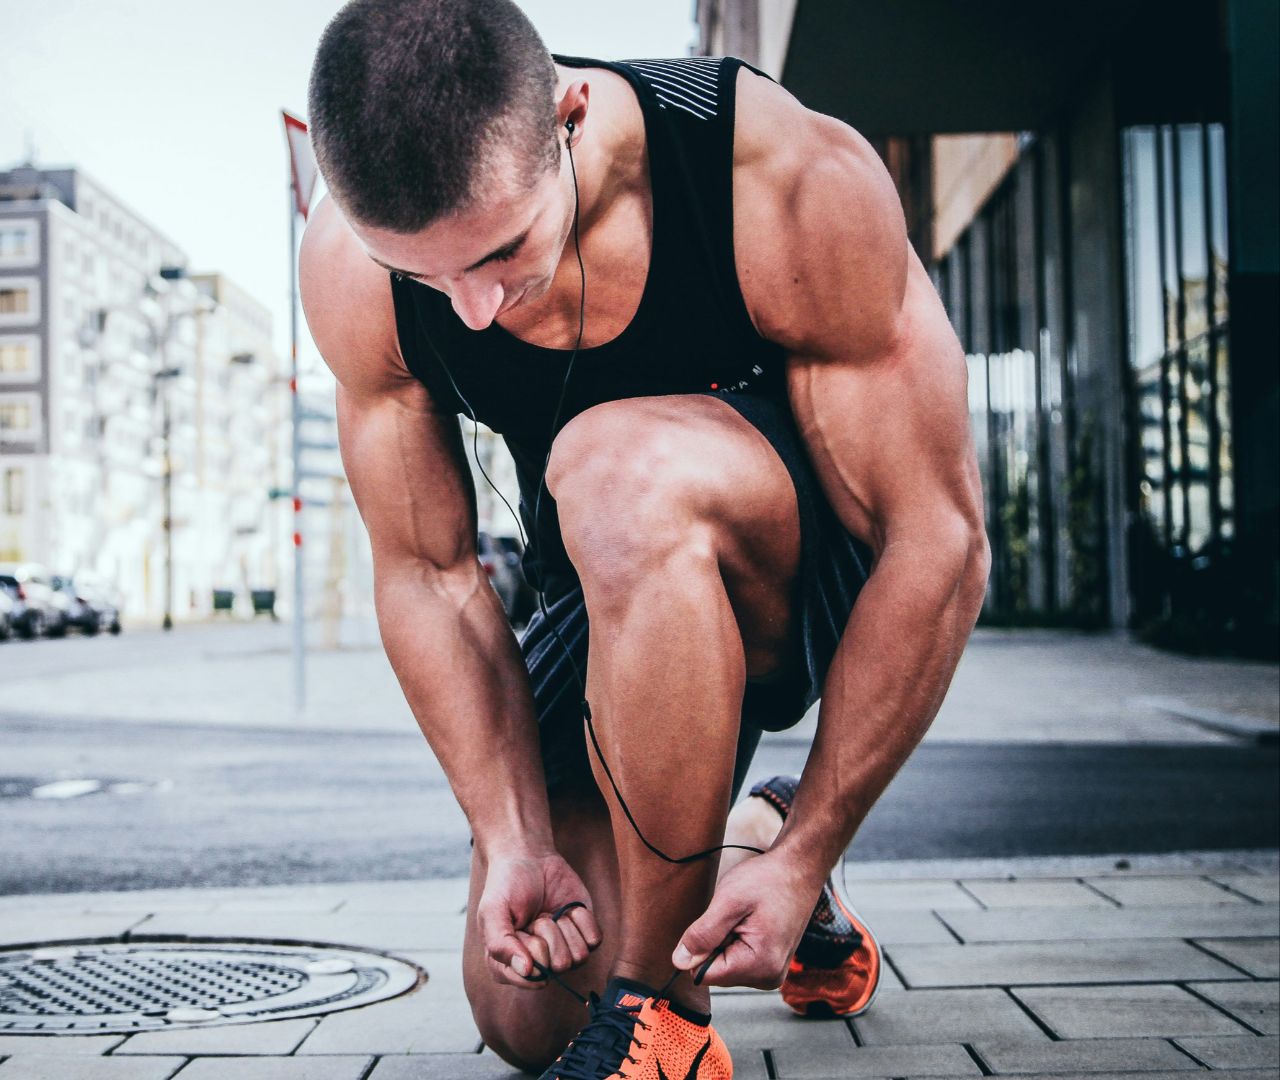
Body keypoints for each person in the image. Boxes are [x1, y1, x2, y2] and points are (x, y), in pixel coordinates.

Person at [298, 1, 990, 1076]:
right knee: (528, 1014)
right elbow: (429, 575)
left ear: (570, 116)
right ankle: (735, 845)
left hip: (799, 572)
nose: (472, 311)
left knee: (613, 466)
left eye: (499, 251)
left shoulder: (773, 175)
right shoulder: (350, 268)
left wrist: (818, 842)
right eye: (427, 279)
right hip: (605, 584)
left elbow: (937, 538)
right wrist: (510, 839)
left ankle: (663, 1020)